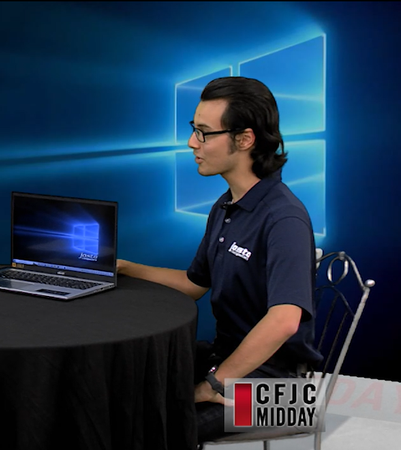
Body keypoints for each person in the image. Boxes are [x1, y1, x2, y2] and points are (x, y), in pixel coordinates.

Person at [116, 76, 323, 443]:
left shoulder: (284, 218)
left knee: (157, 429)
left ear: (244, 139)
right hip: (226, 358)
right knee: (126, 383)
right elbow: (194, 284)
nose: (191, 142)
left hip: (282, 391)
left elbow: (284, 321)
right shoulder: (227, 205)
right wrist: (124, 268)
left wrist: (214, 383)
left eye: (203, 133)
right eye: (193, 129)